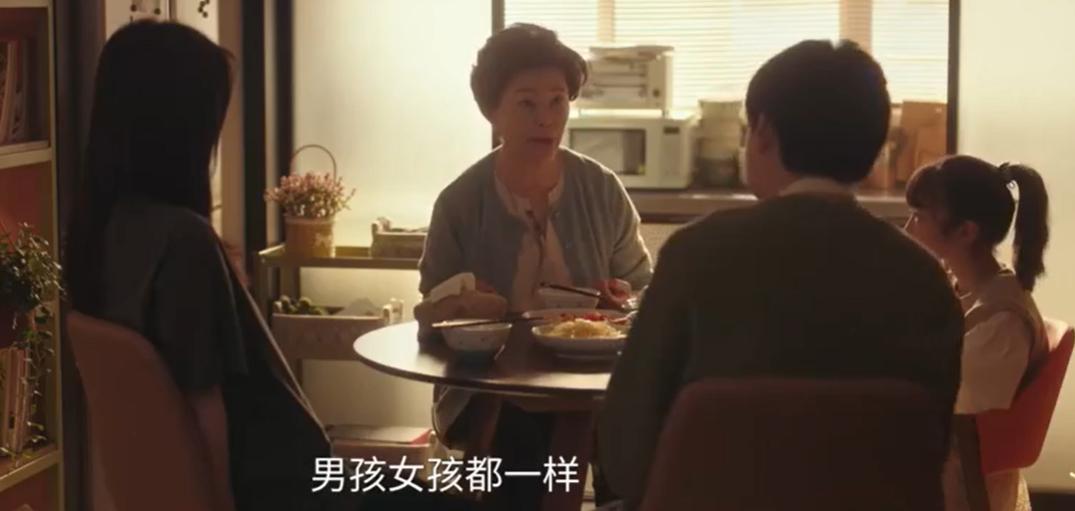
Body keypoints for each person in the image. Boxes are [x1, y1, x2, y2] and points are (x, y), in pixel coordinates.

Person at [64, 20, 470, 511]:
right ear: (176, 129)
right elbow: (205, 405)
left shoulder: (100, 230)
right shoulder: (183, 242)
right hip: (286, 489)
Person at [598, 39, 965, 510]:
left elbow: (626, 451)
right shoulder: (925, 281)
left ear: (765, 133)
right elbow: (928, 454)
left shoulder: (696, 255)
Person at [415, 23, 653, 510]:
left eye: (557, 101)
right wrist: (463, 304)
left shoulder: (601, 188)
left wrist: (622, 298)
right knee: (520, 454)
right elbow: (430, 313)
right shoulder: (461, 201)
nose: (545, 119)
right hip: (494, 388)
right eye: (526, 103)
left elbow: (645, 291)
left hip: (593, 380)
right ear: (492, 109)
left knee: (633, 452)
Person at [905, 155, 1050, 511]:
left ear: (966, 231)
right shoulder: (967, 289)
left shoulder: (1002, 320)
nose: (908, 228)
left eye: (920, 217)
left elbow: (953, 416)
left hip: (957, 486)